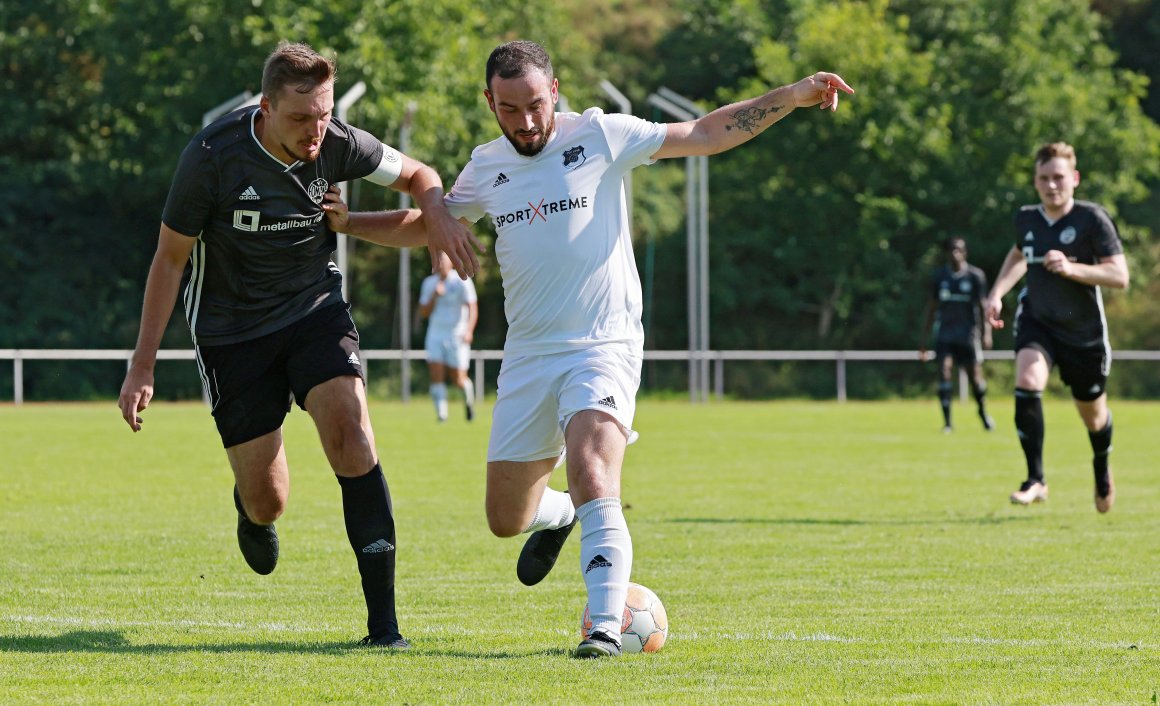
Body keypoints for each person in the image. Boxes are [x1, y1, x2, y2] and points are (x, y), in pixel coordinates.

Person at [332, 40, 852, 658]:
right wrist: (350, 224)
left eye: (534, 105)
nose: (524, 121)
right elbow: (432, 226)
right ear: (489, 103)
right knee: (506, 517)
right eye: (508, 109)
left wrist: (789, 96)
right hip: (527, 354)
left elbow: (705, 132)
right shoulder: (487, 165)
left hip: (604, 342)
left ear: (554, 91)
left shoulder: (603, 135)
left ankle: (603, 627)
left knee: (593, 467)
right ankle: (563, 514)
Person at [116, 41, 481, 649]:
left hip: (314, 311)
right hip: (232, 333)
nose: (316, 132)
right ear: (265, 107)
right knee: (269, 503)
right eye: (300, 118)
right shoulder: (212, 156)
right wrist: (142, 364)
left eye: (323, 114)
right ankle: (249, 505)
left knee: (352, 433)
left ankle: (384, 628)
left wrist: (437, 216)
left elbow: (422, 176)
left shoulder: (337, 140)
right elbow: (169, 259)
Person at [984, 142, 1128, 513]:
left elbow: (1119, 275)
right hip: (1039, 321)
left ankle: (1101, 466)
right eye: (1044, 179)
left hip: (1083, 333)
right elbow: (1019, 254)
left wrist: (1072, 268)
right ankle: (1036, 479)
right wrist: (998, 292)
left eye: (1059, 178)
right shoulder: (1026, 219)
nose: (1052, 186)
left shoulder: (1092, 219)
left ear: (1074, 179)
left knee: (1093, 416)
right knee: (1027, 381)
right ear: (1035, 181)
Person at [920, 237, 994, 433]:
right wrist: (924, 339)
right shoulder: (939, 277)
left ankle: (983, 412)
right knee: (944, 372)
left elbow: (982, 306)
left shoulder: (975, 276)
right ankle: (947, 423)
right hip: (945, 333)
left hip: (968, 334)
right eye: (952, 250)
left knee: (975, 379)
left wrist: (987, 333)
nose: (955, 253)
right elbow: (932, 307)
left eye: (959, 250)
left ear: (965, 253)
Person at [418, 250, 479, 422]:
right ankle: (442, 415)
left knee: (459, 378)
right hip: (435, 334)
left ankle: (468, 404)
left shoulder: (462, 280)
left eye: (444, 260)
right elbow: (423, 312)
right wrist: (434, 297)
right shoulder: (429, 284)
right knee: (436, 374)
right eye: (438, 260)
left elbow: (472, 307)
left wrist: (469, 330)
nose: (441, 263)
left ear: (451, 262)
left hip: (457, 334)